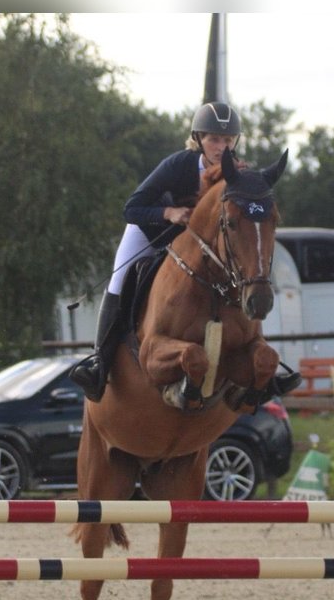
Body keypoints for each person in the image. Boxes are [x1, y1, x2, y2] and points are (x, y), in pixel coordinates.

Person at [69, 101, 301, 403]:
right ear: (198, 139)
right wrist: (169, 212)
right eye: (214, 139)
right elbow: (131, 208)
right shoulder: (179, 165)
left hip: (194, 244)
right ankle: (99, 363)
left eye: (228, 140)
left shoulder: (236, 174)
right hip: (150, 230)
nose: (222, 147)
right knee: (120, 281)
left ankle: (260, 364)